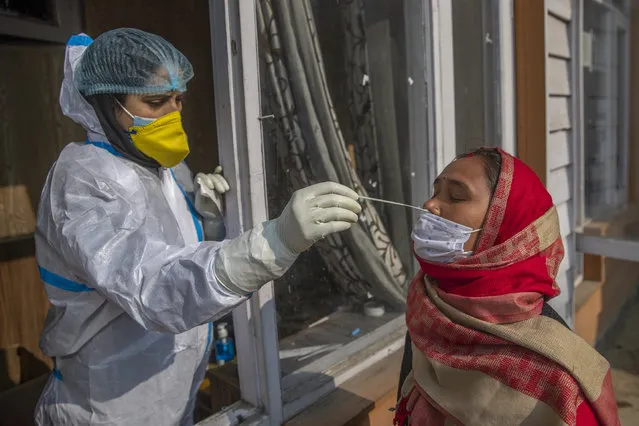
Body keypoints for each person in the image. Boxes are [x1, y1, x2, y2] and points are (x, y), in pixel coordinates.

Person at [34, 29, 361, 425]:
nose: (172, 113)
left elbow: (180, 252)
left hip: (172, 393)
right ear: (107, 102)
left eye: (178, 99)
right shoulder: (83, 179)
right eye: (155, 102)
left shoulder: (158, 163)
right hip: (109, 406)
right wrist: (275, 242)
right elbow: (152, 288)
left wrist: (205, 213)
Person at [395, 148, 620, 425]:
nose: (430, 205)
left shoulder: (557, 378)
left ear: (505, 229)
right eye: (436, 191)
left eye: (456, 196)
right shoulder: (428, 308)